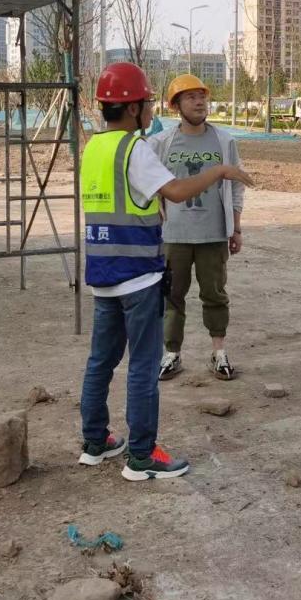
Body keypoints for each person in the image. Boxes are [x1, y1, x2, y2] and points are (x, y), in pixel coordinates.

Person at [78, 62, 254, 480]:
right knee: (143, 365)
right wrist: (220, 171)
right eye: (148, 102)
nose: (151, 109)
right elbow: (174, 191)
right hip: (138, 275)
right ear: (133, 107)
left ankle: (95, 442)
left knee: (101, 361)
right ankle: (141, 457)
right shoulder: (134, 149)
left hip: (103, 272)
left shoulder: (94, 148)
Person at [149, 74, 245, 381]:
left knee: (215, 293)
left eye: (202, 96)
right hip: (173, 234)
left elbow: (236, 185)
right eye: (190, 97)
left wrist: (236, 228)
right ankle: (171, 353)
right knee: (172, 296)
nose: (199, 102)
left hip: (212, 233)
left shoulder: (224, 141)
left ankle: (218, 351)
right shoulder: (161, 143)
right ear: (175, 105)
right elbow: (149, 184)